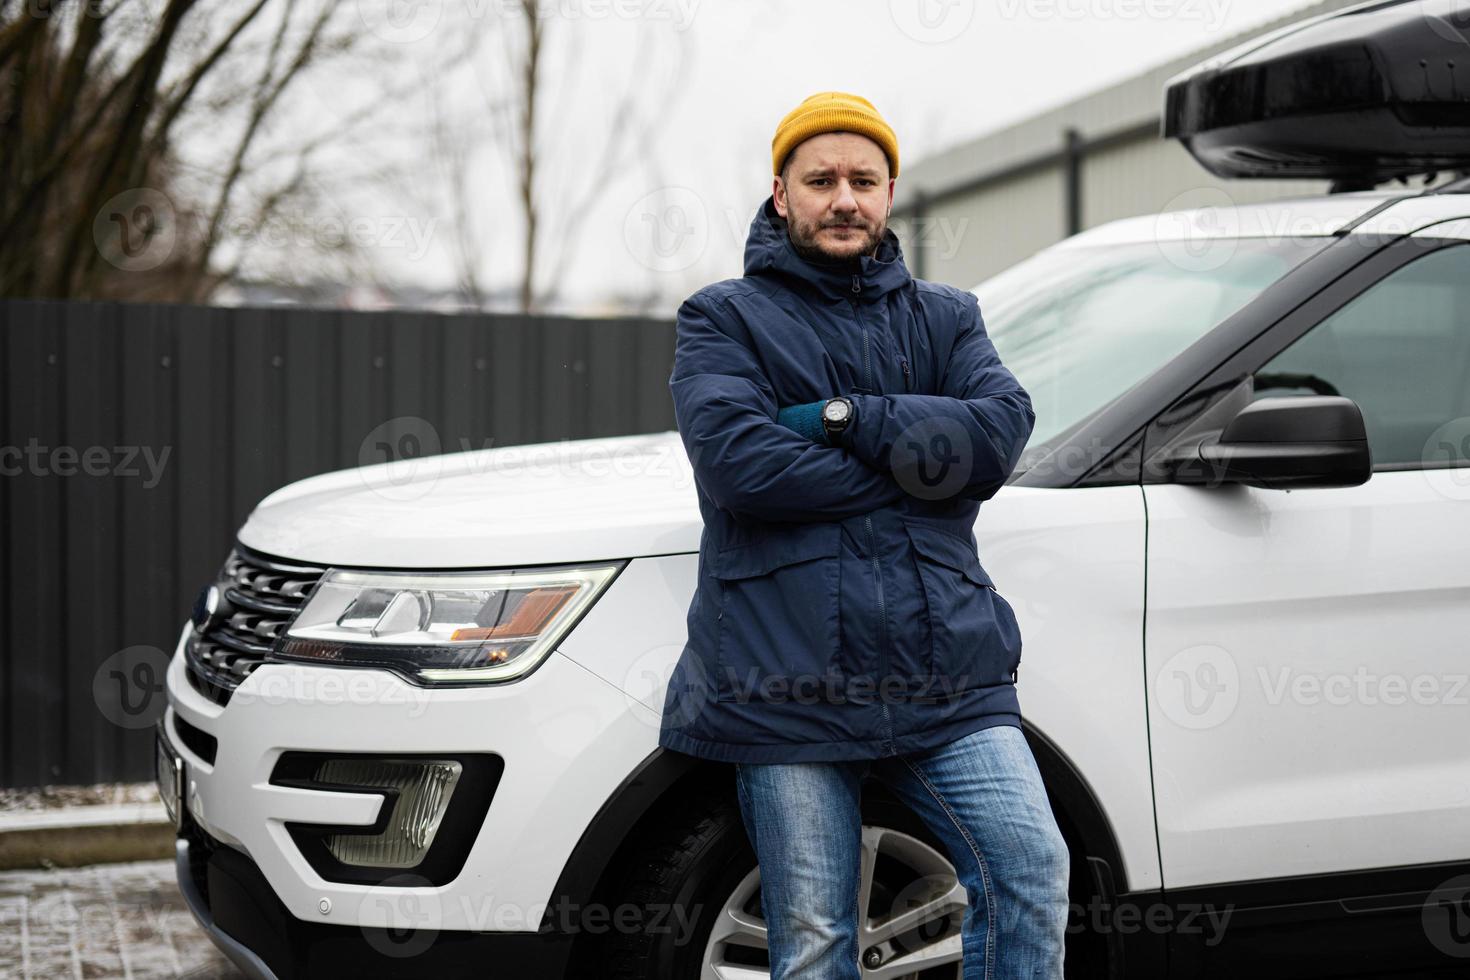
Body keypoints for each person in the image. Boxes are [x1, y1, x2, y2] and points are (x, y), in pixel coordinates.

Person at [658, 91, 1069, 979]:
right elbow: (741, 467)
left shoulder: (948, 316)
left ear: (889, 194)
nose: (844, 198)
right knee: (815, 940)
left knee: (1033, 872)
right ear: (781, 193)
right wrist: (916, 473)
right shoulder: (722, 318)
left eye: (863, 179)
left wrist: (844, 416)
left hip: (949, 674)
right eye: (821, 179)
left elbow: (996, 435)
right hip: (784, 684)